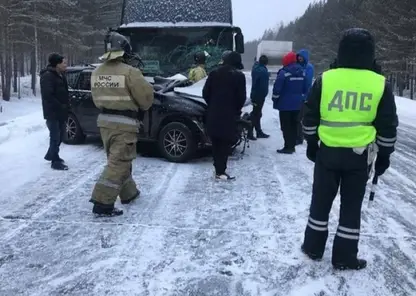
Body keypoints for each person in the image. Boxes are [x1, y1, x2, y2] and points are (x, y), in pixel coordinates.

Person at [301, 28, 398, 270]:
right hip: (359, 156)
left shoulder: (326, 79)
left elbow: (310, 116)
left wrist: (311, 144)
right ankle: (344, 257)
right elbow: (387, 125)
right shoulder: (380, 84)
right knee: (351, 207)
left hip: (327, 152)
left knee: (320, 202)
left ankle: (313, 248)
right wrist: (384, 156)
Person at [89, 32, 154, 217]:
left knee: (117, 160)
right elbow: (146, 100)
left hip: (104, 123)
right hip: (125, 125)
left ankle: (129, 193)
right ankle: (102, 202)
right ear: (124, 51)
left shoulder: (97, 72)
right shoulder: (130, 72)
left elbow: (96, 99)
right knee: (118, 163)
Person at [202, 51, 246, 180]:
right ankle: (221, 170)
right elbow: (241, 98)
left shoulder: (214, 73)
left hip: (214, 113)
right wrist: (235, 110)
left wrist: (213, 105)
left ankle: (218, 169)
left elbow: (205, 93)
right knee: (225, 144)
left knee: (216, 142)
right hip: (229, 115)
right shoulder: (239, 76)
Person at [272, 51, 308, 154]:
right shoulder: (302, 72)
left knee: (285, 126)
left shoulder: (284, 72)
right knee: (294, 125)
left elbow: (277, 88)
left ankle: (288, 147)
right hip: (297, 105)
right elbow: (306, 88)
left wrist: (275, 99)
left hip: (285, 105)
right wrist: (302, 98)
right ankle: (292, 145)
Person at [40, 53, 70, 171]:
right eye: (64, 63)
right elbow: (48, 95)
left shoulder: (60, 74)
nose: (66, 65)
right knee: (55, 136)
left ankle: (51, 154)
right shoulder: (48, 76)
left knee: (61, 135)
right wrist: (61, 105)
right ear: (57, 64)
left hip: (61, 111)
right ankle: (55, 161)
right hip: (52, 112)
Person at [248, 54, 270, 140]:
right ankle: (251, 132)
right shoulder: (263, 71)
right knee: (256, 114)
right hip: (259, 96)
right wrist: (264, 94)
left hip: (255, 94)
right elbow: (263, 86)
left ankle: (258, 131)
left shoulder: (255, 68)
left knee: (257, 113)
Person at [296, 49, 315, 145]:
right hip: (296, 95)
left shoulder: (309, 67)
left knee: (300, 118)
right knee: (296, 117)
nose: (299, 58)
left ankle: (300, 138)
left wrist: (305, 94)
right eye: (298, 56)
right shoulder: (297, 66)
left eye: (301, 57)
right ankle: (297, 135)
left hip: (304, 96)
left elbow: (308, 81)